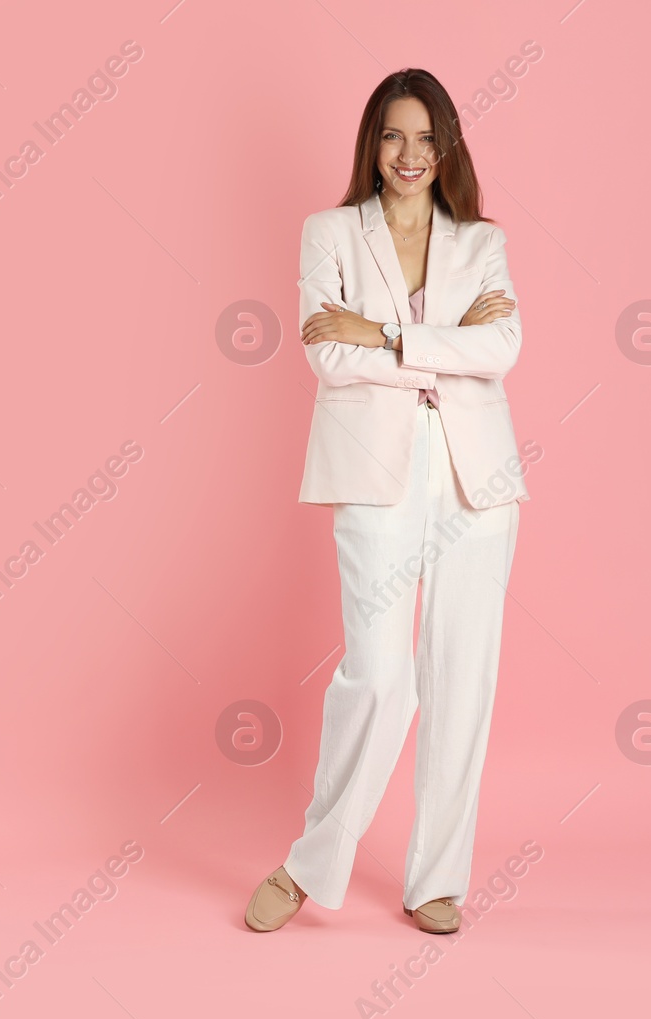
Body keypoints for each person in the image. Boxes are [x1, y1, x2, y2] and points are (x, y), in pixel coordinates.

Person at [245, 68, 530, 934]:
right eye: (394, 136)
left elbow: (505, 347)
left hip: (476, 480)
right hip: (373, 475)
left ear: (447, 146)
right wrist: (445, 344)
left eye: (425, 137)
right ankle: (309, 863)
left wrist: (385, 332)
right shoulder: (329, 232)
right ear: (373, 142)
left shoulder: (481, 241)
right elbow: (326, 356)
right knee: (381, 675)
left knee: (463, 678)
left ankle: (436, 876)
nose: (410, 154)